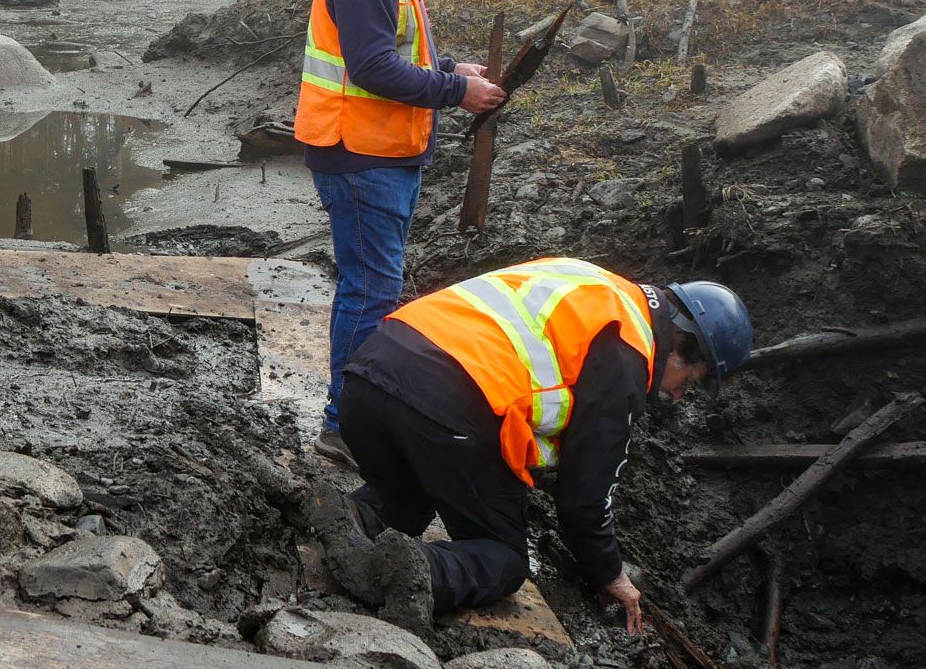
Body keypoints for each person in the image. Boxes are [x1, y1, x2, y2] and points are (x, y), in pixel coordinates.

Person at [314, 258, 754, 633]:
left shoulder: (598, 285)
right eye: (689, 382)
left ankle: (343, 517)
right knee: (503, 559)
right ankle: (411, 573)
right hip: (443, 406)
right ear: (682, 347)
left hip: (368, 378)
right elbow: (584, 500)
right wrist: (611, 574)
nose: (678, 396)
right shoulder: (628, 351)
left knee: (409, 498)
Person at [295, 0, 506, 467]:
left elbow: (395, 51)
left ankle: (356, 417)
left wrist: (450, 68)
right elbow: (371, 67)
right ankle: (344, 427)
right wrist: (455, 91)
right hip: (359, 155)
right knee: (370, 292)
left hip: (379, 153)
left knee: (373, 287)